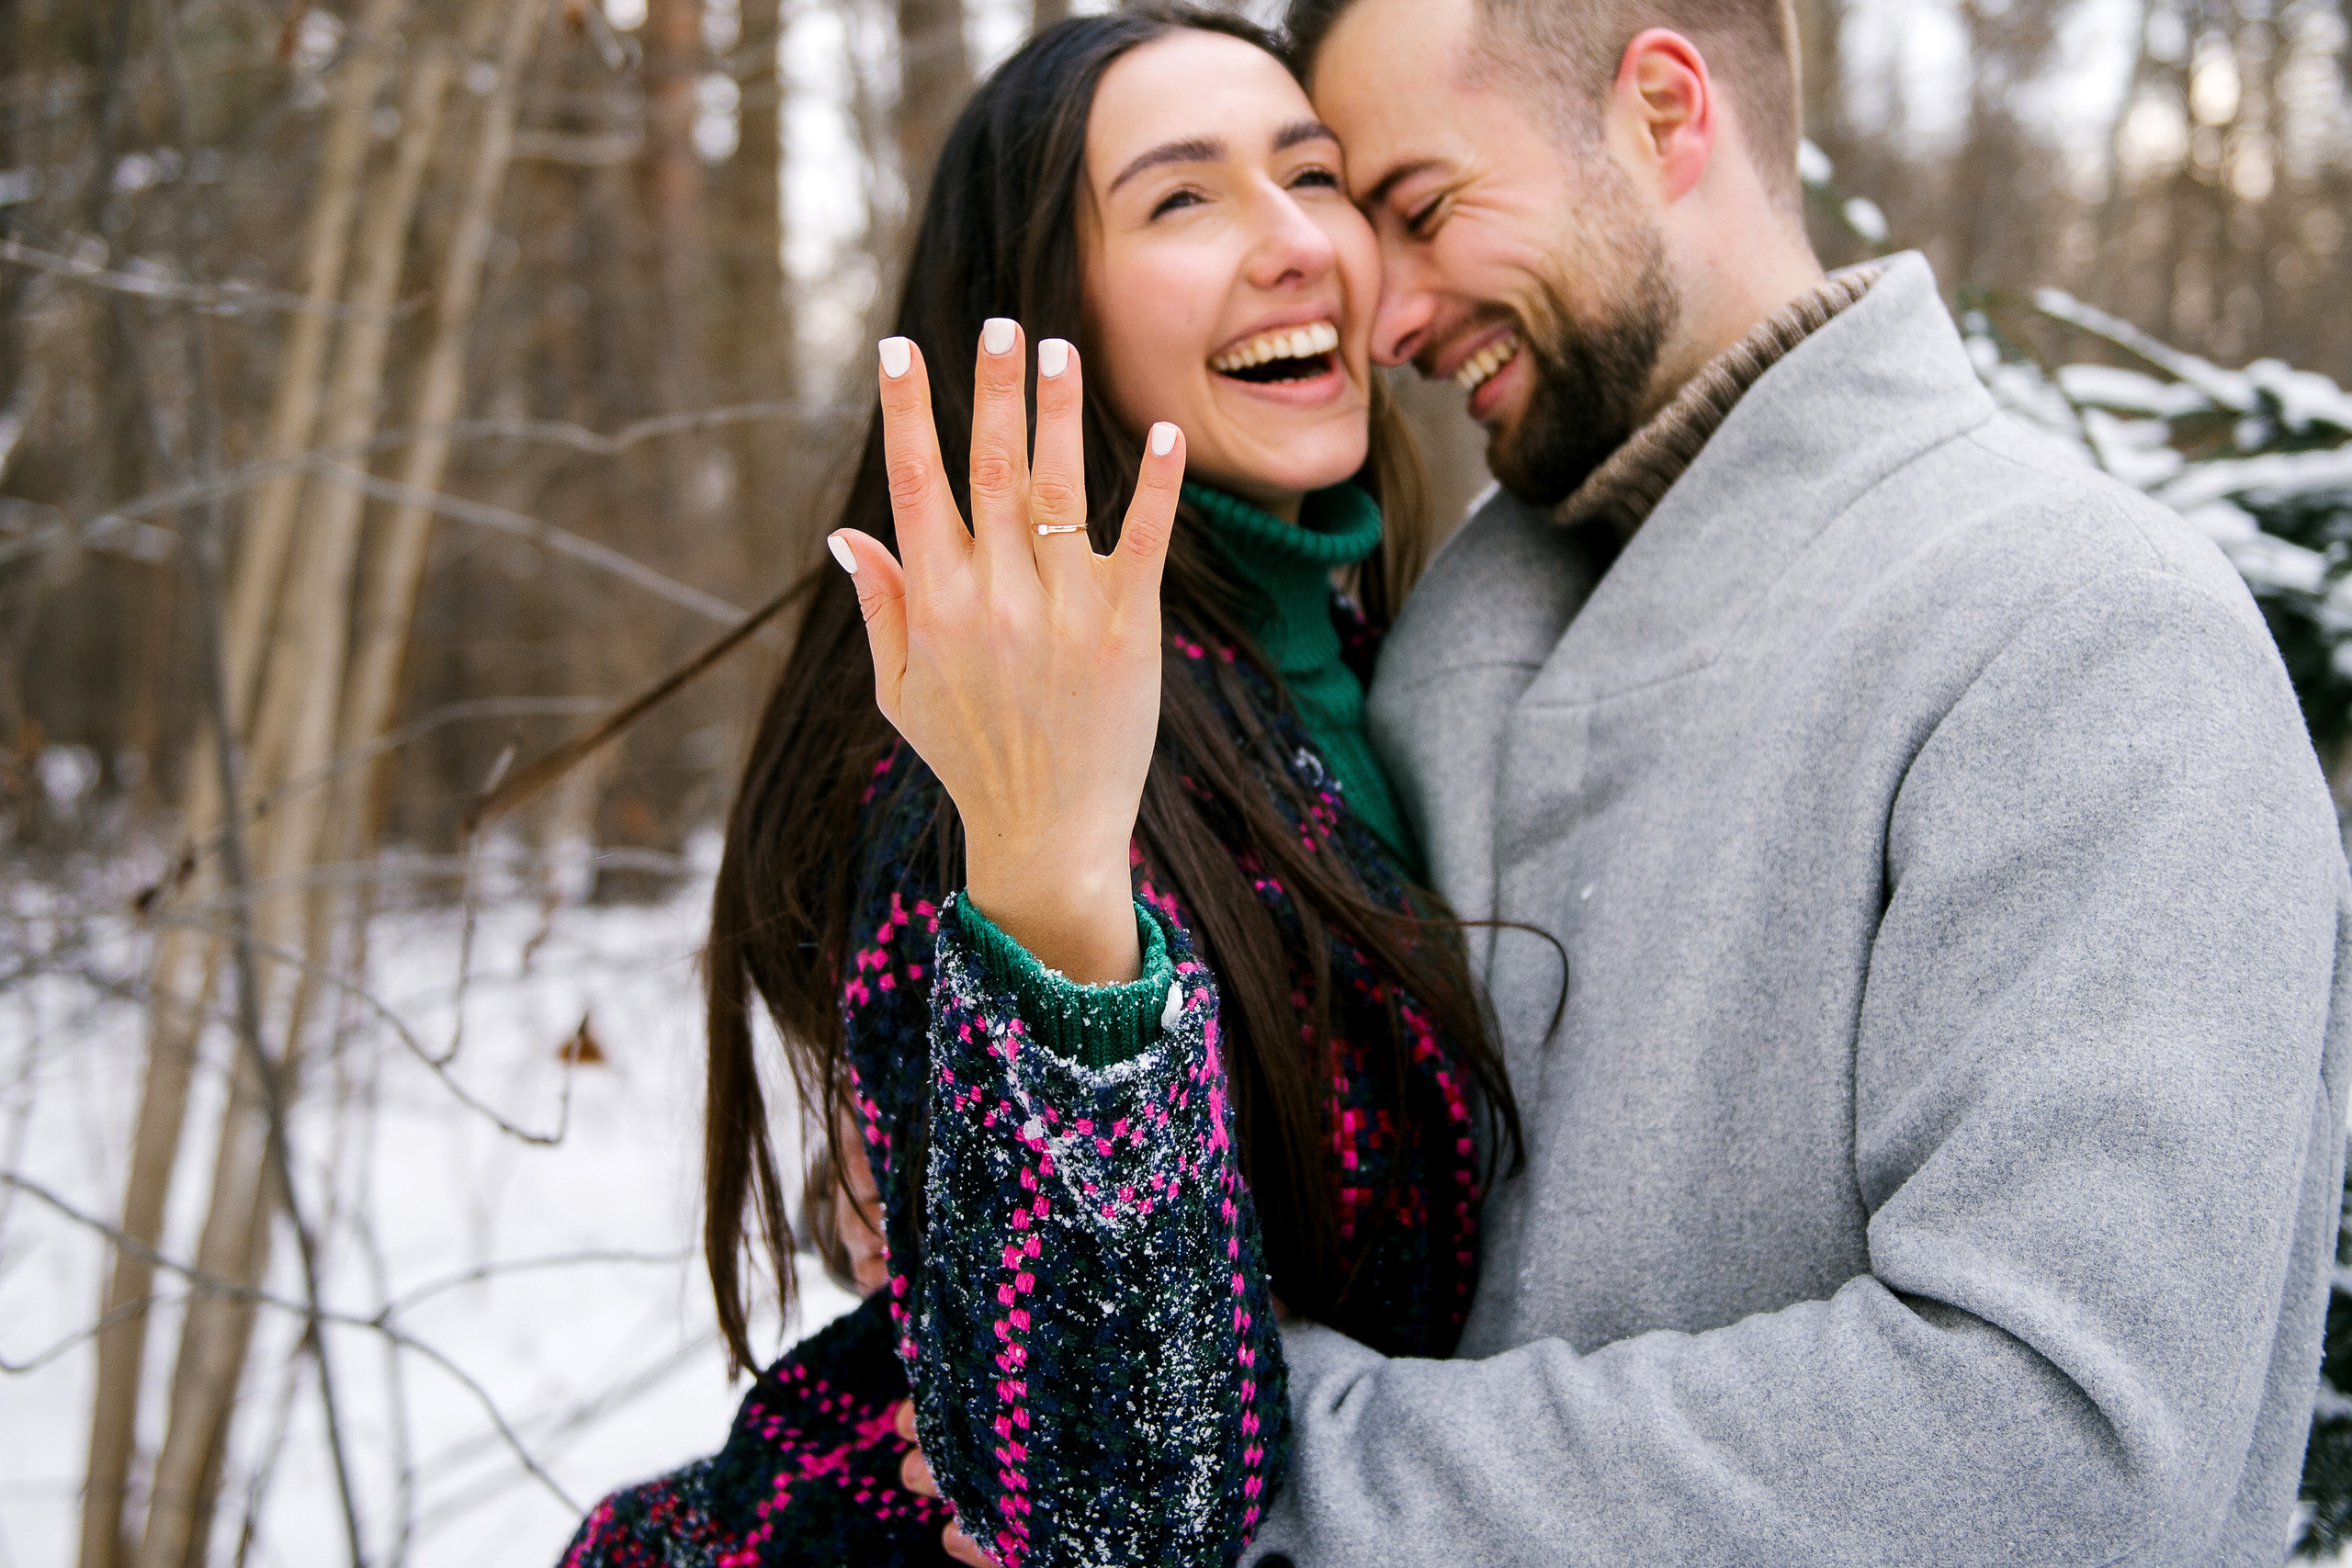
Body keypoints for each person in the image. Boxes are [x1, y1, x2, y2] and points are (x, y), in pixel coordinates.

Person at [1194, 0, 2343, 1562]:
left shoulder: (2085, 628)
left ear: (1664, 112)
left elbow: (2055, 1460)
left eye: (1422, 208)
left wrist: (1263, 1461)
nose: (1380, 314)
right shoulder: (1444, 659)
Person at [557, 9, 1518, 1566]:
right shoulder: (982, 745)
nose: (1295, 245)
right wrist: (1052, 893)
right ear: (1044, 310)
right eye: (1183, 198)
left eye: (1313, 175)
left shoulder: (1387, 645)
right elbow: (1116, 1519)